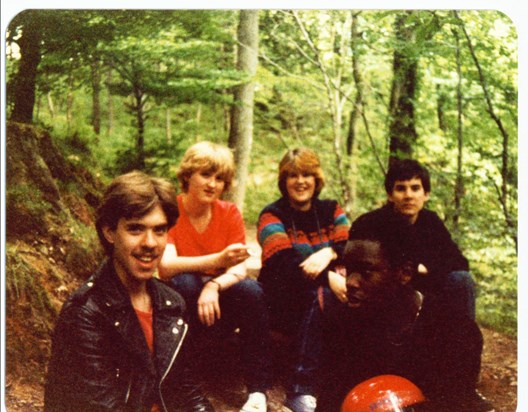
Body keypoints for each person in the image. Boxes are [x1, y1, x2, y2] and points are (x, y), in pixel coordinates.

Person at [44, 171, 213, 412]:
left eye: (159, 230)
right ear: (110, 232)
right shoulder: (86, 312)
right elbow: (100, 406)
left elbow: (185, 389)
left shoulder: (171, 303)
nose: (150, 243)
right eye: (136, 229)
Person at [316, 230, 495, 412]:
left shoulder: (454, 329)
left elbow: (454, 401)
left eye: (366, 271)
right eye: (349, 270)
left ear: (405, 273)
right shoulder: (342, 324)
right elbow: (330, 400)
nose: (351, 282)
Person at [158, 141, 271, 412]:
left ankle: (258, 390)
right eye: (205, 175)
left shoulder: (228, 212)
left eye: (220, 178)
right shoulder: (172, 210)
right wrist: (217, 261)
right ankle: (178, 379)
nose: (212, 184)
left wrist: (215, 285)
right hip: (181, 300)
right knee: (185, 282)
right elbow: (166, 265)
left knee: (252, 291)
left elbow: (240, 268)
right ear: (188, 176)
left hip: (218, 300)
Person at [257, 148, 351, 412]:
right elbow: (283, 263)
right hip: (284, 299)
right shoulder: (271, 215)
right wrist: (328, 276)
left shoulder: (331, 209)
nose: (300, 181)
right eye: (293, 175)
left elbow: (351, 244)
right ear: (283, 181)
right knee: (323, 294)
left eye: (307, 174)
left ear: (316, 179)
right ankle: (300, 389)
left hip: (330, 295)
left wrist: (329, 252)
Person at [348, 158, 476, 319]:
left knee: (462, 280)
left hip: (422, 289)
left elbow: (460, 263)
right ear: (390, 195)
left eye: (415, 188)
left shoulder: (431, 222)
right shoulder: (369, 223)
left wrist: (423, 268)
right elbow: (356, 268)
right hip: (380, 293)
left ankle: (463, 339)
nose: (408, 195)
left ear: (426, 194)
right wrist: (416, 268)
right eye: (401, 189)